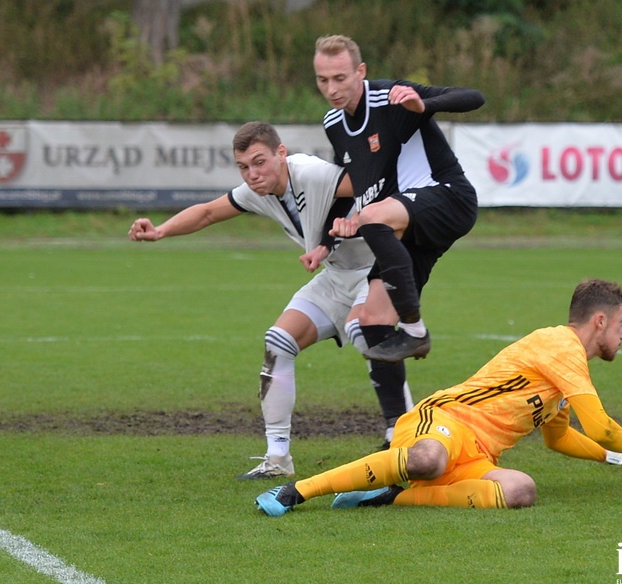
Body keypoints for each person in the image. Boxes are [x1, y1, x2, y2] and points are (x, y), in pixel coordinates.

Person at [129, 121, 413, 479]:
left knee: (366, 331)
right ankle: (277, 458)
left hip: (375, 269)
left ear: (282, 153)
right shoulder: (258, 192)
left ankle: (402, 439)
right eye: (244, 167)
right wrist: (161, 231)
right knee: (278, 341)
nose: (252, 174)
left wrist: (357, 219)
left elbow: (377, 184)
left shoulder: (309, 172)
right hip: (336, 275)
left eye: (260, 162)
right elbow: (208, 212)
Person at [255, 278, 622, 516]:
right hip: (444, 420)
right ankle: (296, 492)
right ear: (600, 320)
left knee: (521, 490)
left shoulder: (565, 370)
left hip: (476, 455)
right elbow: (599, 425)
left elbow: (557, 437)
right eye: (621, 323)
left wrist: (611, 456)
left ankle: (393, 494)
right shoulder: (560, 347)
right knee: (428, 459)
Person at [314, 34, 485, 364]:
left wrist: (424, 106)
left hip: (448, 198)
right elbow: (348, 180)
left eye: (340, 78)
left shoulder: (389, 98)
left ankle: (415, 331)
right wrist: (325, 241)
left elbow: (473, 97)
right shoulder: (334, 123)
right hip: (405, 224)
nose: (331, 88)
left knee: (372, 216)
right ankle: (397, 418)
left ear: (360, 71)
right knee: (371, 323)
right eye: (323, 80)